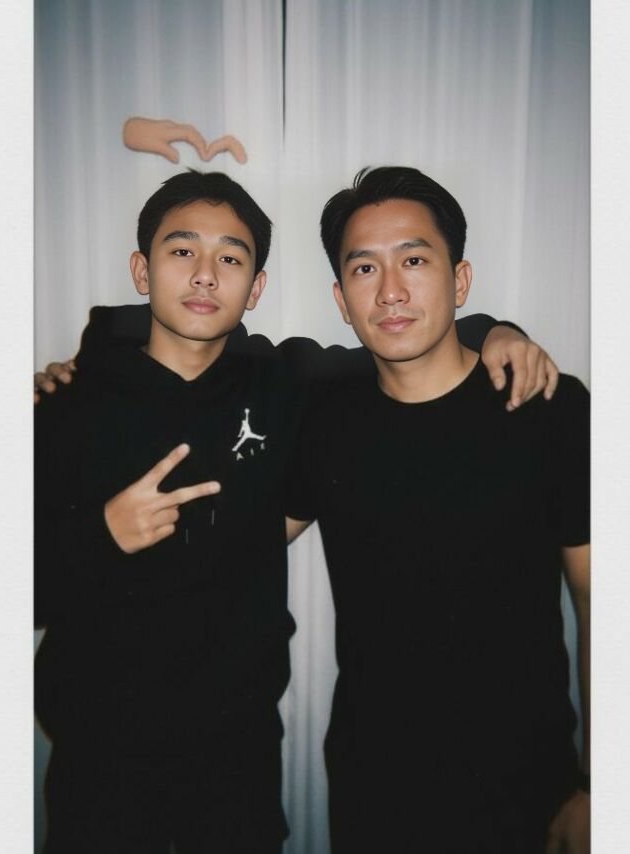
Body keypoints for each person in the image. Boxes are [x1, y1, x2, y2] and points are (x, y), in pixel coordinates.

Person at [35, 168, 557, 854]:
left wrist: (497, 331)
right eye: (181, 250)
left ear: (255, 288)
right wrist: (103, 534)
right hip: (97, 763)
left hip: (235, 764)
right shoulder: (63, 409)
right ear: (142, 269)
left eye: (230, 258)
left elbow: (402, 338)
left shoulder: (283, 383)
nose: (204, 274)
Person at [285, 166, 590, 852]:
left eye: (415, 260)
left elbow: (599, 595)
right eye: (365, 269)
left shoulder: (547, 407)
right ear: (341, 298)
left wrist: (598, 783)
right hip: (375, 792)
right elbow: (240, 540)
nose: (390, 291)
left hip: (532, 792)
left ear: (461, 280)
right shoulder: (325, 425)